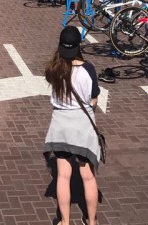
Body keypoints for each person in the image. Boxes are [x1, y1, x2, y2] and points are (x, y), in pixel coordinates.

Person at [44, 27, 101, 225]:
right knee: (88, 177)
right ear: (78, 46)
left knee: (63, 176)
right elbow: (94, 99)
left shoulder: (54, 68)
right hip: (82, 127)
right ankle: (91, 221)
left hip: (60, 126)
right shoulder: (88, 69)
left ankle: (65, 221)